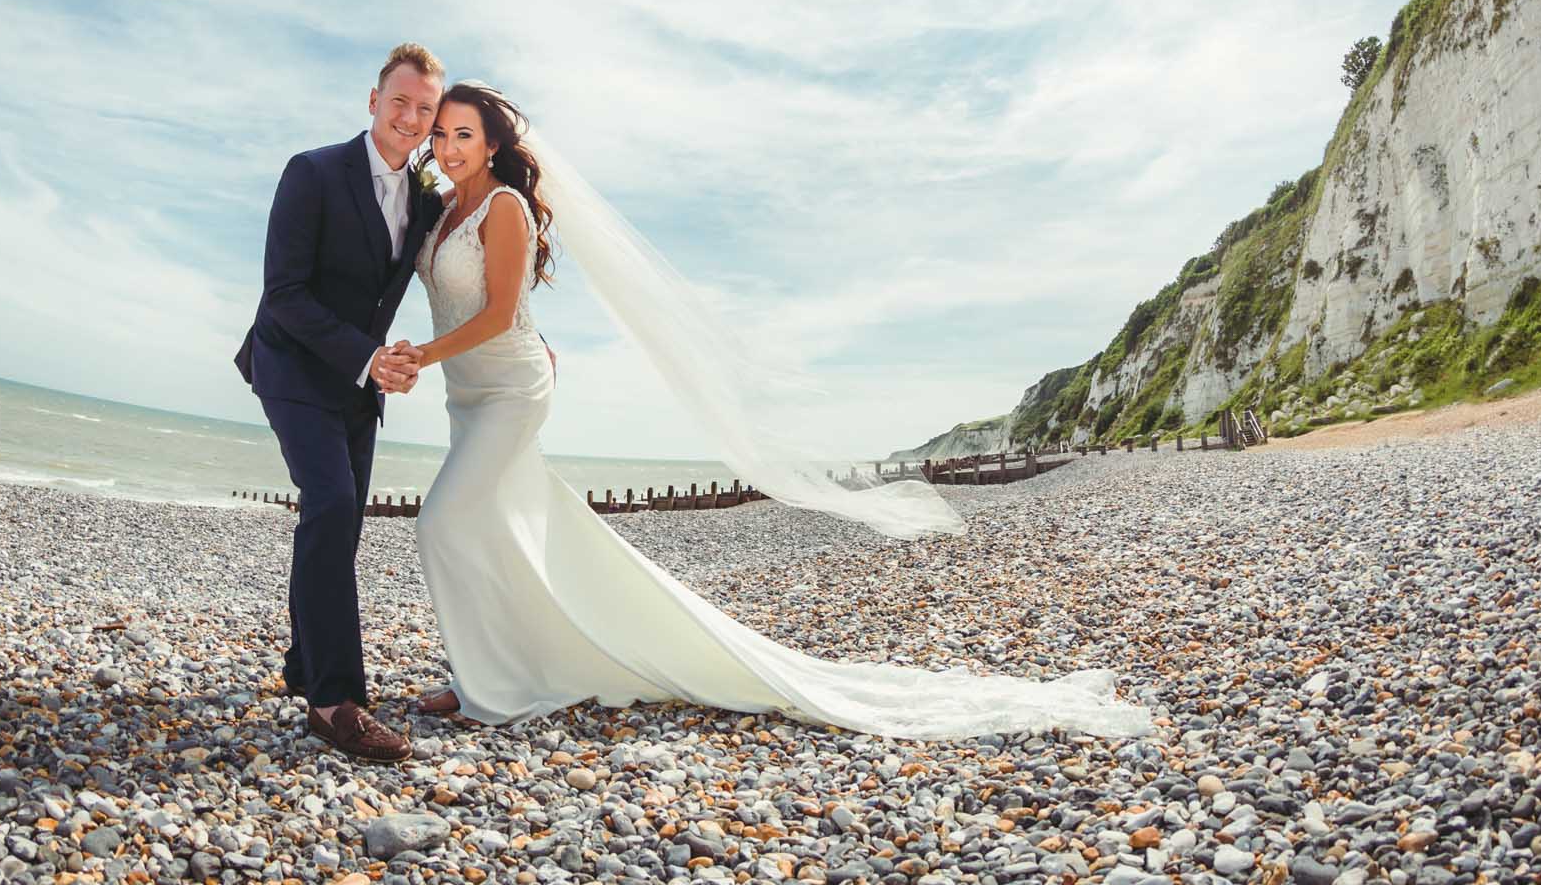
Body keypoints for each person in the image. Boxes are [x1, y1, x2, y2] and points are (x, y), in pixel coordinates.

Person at [387, 82, 1154, 740]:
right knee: (495, 528)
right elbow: (499, 298)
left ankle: (486, 686)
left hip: (510, 390)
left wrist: (419, 355)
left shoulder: (507, 207)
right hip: (470, 392)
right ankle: (504, 667)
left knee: (444, 521)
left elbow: (495, 315)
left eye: (465, 135)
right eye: (443, 134)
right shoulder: (445, 207)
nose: (450, 147)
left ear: (492, 145)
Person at [233, 42, 446, 762]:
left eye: (424, 109)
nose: (410, 118)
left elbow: (475, 253)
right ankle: (335, 703)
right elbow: (283, 294)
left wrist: (519, 336)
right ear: (373, 100)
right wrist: (367, 358)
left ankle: (302, 663)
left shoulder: (424, 201)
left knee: (341, 523)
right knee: (327, 504)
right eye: (400, 102)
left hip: (360, 387)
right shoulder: (314, 171)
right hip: (292, 365)